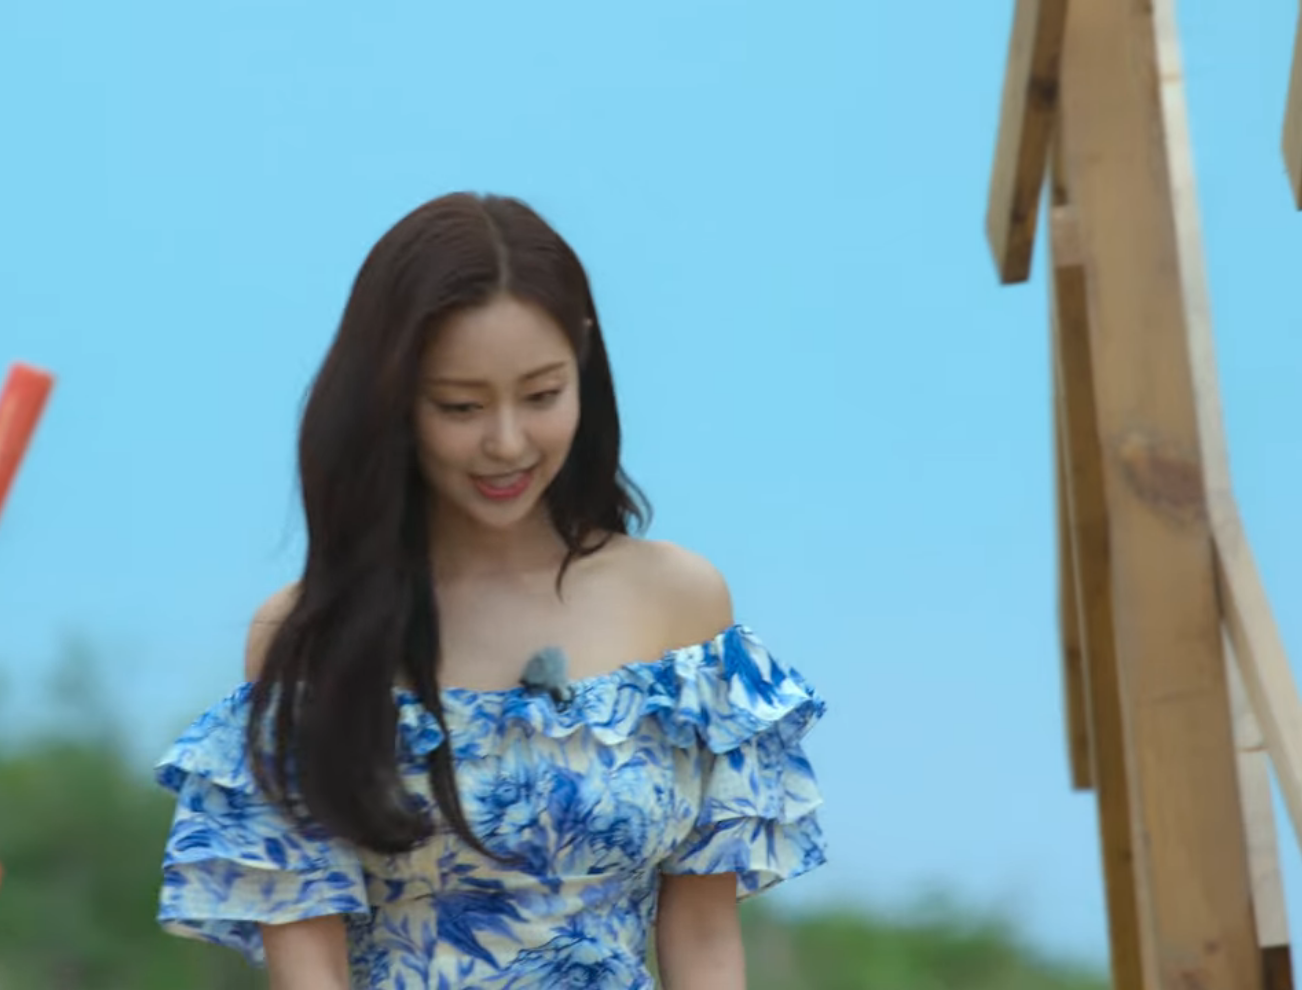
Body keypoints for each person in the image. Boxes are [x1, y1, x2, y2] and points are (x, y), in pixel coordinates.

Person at [152, 191, 829, 988]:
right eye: (461, 406)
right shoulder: (312, 639)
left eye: (542, 395)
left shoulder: (680, 604)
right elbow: (309, 971)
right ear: (392, 398)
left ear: (583, 362)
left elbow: (706, 940)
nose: (506, 442)